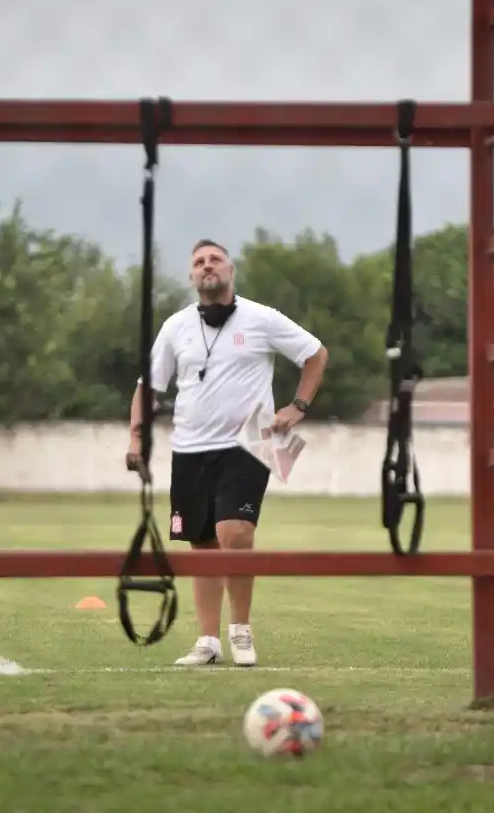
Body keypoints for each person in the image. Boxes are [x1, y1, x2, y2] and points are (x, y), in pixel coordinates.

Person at [125, 238, 328, 667]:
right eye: (198, 261)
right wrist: (135, 438)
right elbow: (148, 387)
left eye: (215, 259)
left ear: (230, 270)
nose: (206, 266)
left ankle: (240, 630)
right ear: (192, 276)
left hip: (252, 439)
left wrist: (297, 407)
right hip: (190, 445)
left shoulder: (262, 318)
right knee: (202, 545)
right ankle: (207, 642)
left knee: (235, 533)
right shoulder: (176, 326)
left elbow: (315, 354)